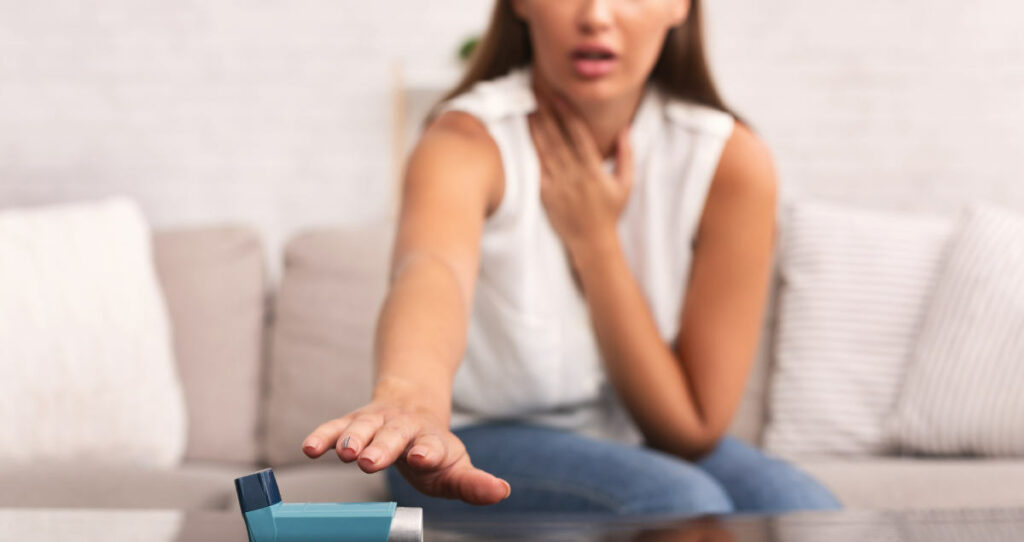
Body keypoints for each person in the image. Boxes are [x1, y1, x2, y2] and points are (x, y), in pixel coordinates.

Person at [302, 0, 841, 516]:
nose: (596, 15)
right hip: (476, 435)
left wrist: (596, 242)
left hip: (632, 437)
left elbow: (692, 429)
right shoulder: (463, 140)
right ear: (521, 2)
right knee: (678, 503)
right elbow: (432, 268)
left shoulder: (730, 159)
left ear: (680, 4)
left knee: (810, 514)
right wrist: (411, 401)